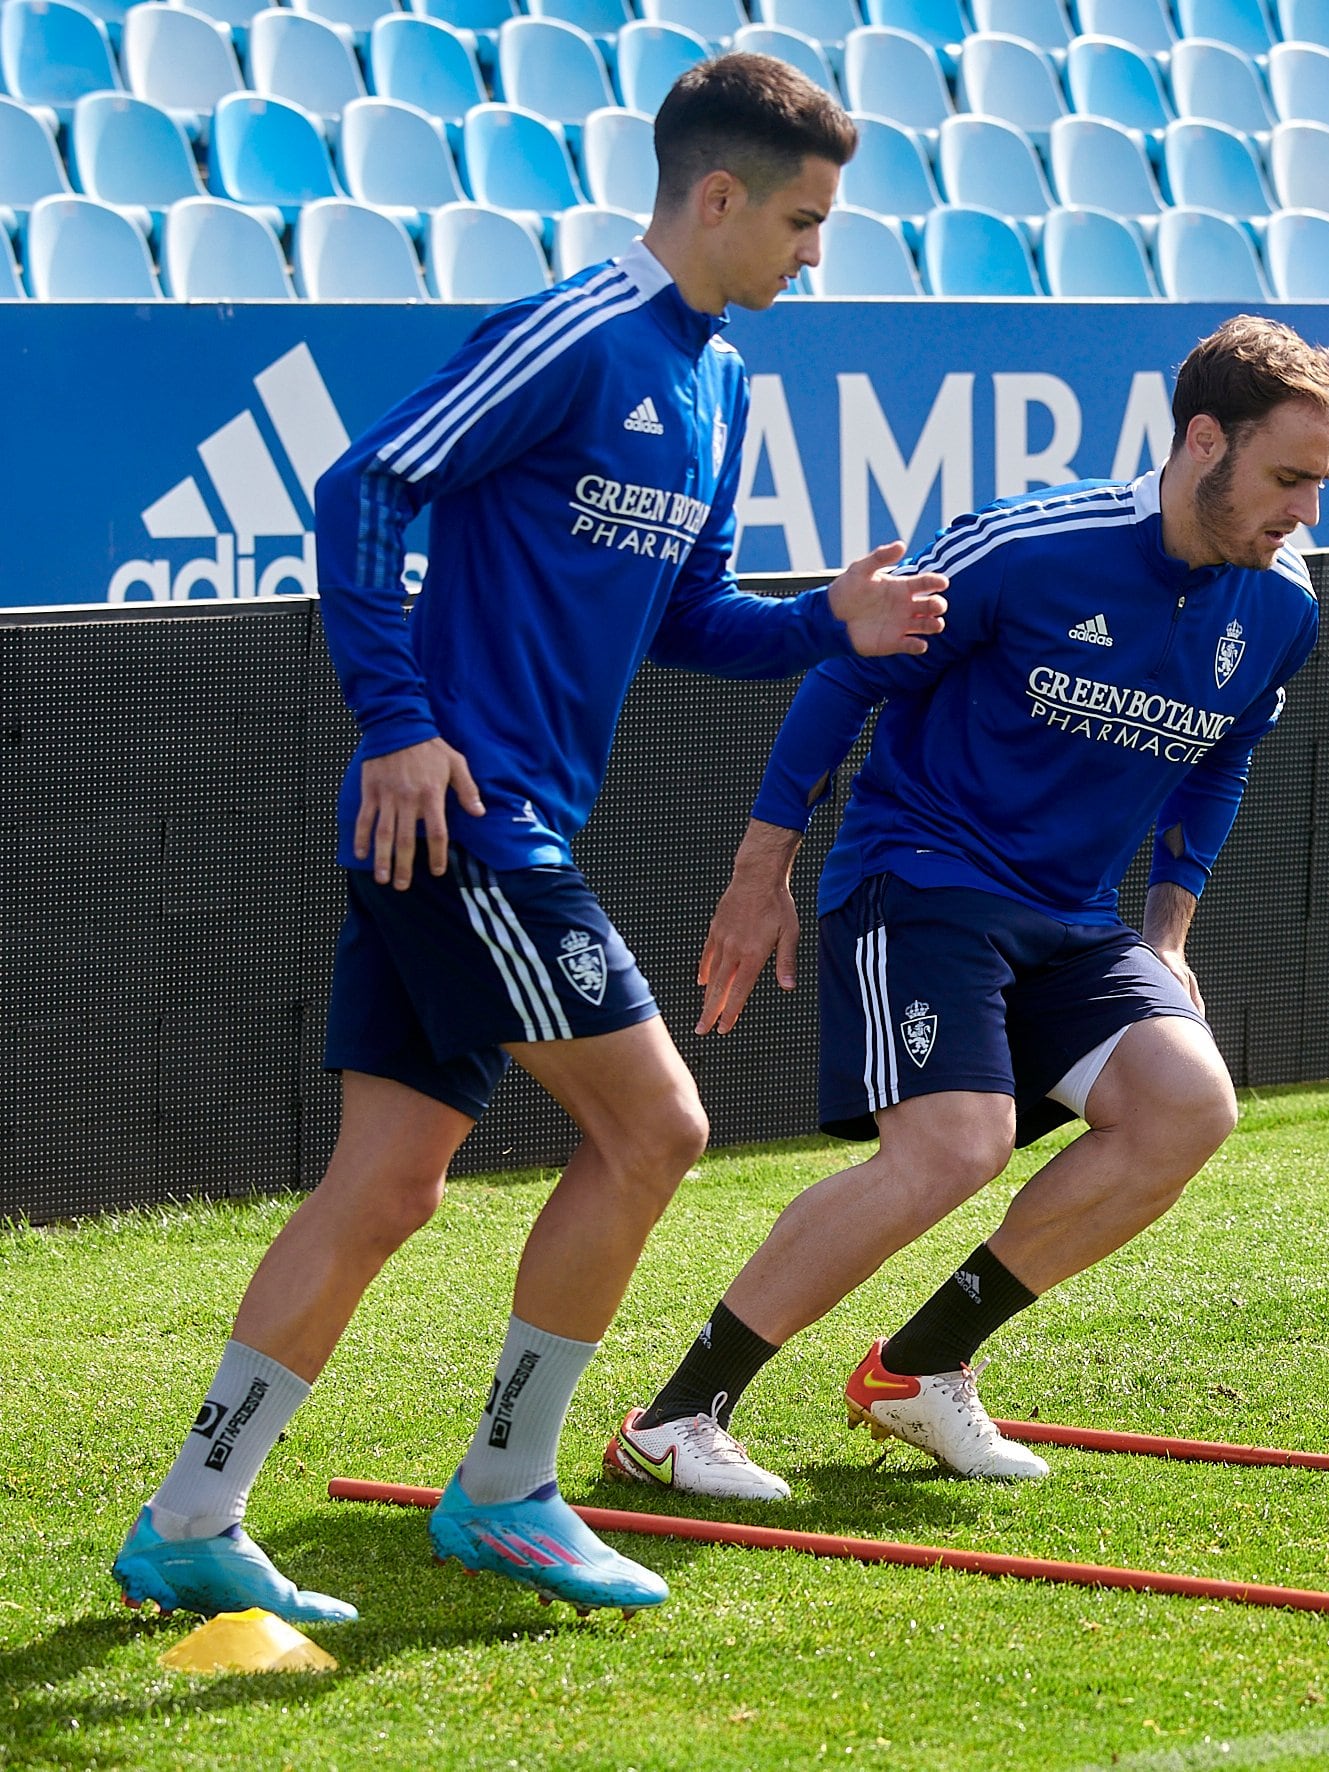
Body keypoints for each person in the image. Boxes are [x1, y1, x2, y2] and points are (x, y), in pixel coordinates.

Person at [111, 55, 947, 1623]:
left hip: (497, 820)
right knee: (658, 1132)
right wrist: (395, 723)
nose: (815, 255)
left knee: (385, 1185)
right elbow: (365, 484)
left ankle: (190, 1518)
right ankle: (508, 1490)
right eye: (803, 220)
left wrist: (830, 623)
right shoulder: (577, 331)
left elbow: (687, 618)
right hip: (473, 812)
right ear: (715, 198)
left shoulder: (720, 382)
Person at [606, 317, 1329, 1498]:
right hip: (922, 874)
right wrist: (762, 873)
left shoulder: (1281, 605)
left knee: (1186, 1106)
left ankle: (919, 1367)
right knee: (957, 1146)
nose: (1304, 511)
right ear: (1202, 441)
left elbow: (1223, 755)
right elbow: (846, 668)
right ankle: (675, 1415)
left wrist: (1167, 930)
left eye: (1319, 484)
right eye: (1287, 479)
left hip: (1072, 915)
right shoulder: (1028, 547)